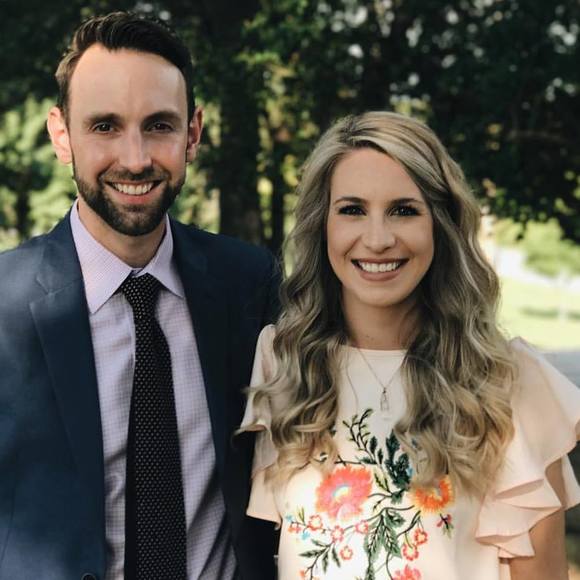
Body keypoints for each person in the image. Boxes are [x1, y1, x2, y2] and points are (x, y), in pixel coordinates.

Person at [240, 111, 580, 580]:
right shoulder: (282, 362)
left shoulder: (511, 381)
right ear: (323, 225)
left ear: (440, 224)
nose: (378, 239)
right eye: (352, 210)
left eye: (404, 210)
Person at [0, 11, 279, 580]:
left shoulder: (249, 285)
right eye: (105, 126)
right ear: (62, 134)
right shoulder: (5, 306)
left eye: (159, 126)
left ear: (192, 133)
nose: (135, 159)